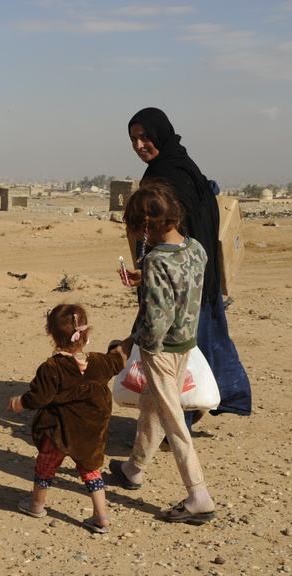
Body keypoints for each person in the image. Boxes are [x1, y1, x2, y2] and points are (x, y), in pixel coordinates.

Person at [126, 108, 252, 424]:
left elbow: (169, 233)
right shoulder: (183, 166)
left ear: (161, 134)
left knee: (173, 359)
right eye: (133, 139)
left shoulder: (168, 176)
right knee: (194, 357)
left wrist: (153, 274)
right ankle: (173, 428)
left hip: (178, 287)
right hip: (199, 280)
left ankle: (173, 430)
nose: (140, 145)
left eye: (145, 137)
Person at [108, 180, 217, 524]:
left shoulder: (154, 260)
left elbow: (159, 316)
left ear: (146, 227)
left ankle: (199, 495)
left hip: (161, 349)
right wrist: (146, 281)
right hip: (186, 342)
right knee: (152, 406)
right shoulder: (196, 248)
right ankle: (133, 469)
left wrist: (134, 345)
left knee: (172, 420)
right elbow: (183, 286)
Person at [6, 304, 129, 533]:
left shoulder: (52, 368)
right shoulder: (100, 362)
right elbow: (118, 361)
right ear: (86, 333)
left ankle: (36, 504)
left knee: (45, 466)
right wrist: (125, 344)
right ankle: (101, 516)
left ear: (50, 334)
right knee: (91, 469)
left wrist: (17, 403)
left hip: (58, 431)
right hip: (91, 431)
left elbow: (38, 397)